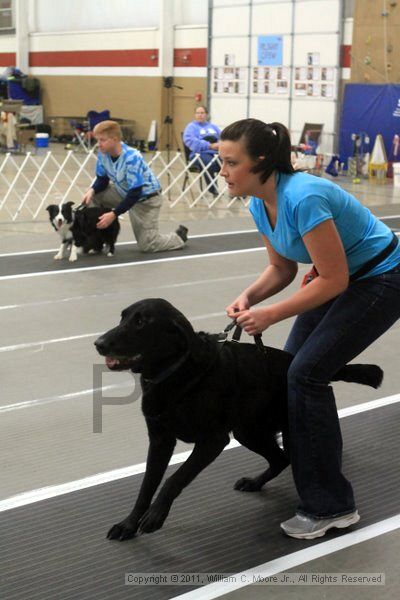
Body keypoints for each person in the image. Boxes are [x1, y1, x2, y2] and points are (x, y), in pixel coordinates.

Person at [220, 118, 400, 539]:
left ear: (260, 161)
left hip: (382, 278)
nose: (223, 172)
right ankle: (312, 451)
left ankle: (331, 506)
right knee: (289, 370)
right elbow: (282, 268)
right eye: (221, 161)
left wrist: (270, 315)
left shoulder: (304, 197)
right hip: (341, 276)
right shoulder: (257, 202)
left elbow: (334, 281)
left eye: (231, 163)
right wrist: (250, 298)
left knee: (306, 375)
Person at [82, 120, 188, 253]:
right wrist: (92, 189)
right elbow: (102, 179)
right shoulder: (103, 154)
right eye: (97, 140)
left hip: (145, 200)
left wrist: (114, 214)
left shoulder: (132, 157)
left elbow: (135, 193)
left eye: (102, 140)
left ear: (114, 139)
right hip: (124, 192)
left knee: (148, 246)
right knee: (93, 197)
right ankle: (97, 240)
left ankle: (178, 238)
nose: (98, 144)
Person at [183, 106, 221, 196]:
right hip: (198, 154)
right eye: (198, 113)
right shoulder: (191, 127)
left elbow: (223, 138)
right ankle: (213, 189)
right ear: (195, 115)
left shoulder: (213, 127)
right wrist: (209, 145)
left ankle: (236, 191)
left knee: (231, 163)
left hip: (216, 153)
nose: (200, 115)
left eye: (202, 113)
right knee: (210, 163)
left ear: (206, 115)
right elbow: (190, 141)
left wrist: (220, 144)